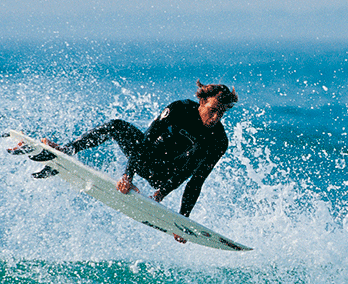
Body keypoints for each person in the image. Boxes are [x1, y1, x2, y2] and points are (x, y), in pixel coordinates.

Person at [44, 80, 237, 243]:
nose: (215, 118)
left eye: (220, 113)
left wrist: (182, 220)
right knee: (116, 125)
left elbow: (196, 182)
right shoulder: (179, 108)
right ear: (202, 101)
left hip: (166, 175)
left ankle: (159, 194)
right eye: (212, 110)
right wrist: (128, 175)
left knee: (198, 159)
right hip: (146, 158)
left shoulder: (219, 140)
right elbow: (146, 140)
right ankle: (68, 149)